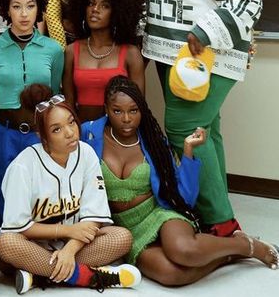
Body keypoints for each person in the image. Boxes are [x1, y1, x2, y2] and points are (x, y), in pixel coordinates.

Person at [142, 0, 263, 237]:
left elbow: (247, 0)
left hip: (203, 57)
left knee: (184, 130)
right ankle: (217, 208)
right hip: (171, 56)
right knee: (208, 132)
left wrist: (206, 31)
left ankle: (222, 223)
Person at [81, 77, 278, 284]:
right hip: (126, 228)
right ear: (106, 109)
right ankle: (230, 254)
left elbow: (184, 196)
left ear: (142, 109)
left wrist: (188, 151)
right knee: (171, 274)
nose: (127, 118)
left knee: (183, 250)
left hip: (158, 213)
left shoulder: (152, 140)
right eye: (117, 111)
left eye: (134, 110)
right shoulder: (89, 134)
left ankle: (247, 246)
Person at [0, 91, 140, 293]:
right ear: (43, 136)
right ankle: (89, 277)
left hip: (74, 244)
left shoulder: (86, 153)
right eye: (57, 129)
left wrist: (69, 250)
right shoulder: (24, 166)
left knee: (122, 237)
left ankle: (38, 276)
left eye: (71, 122)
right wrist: (66, 230)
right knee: (6, 244)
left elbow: (93, 217)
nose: (70, 132)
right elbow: (18, 227)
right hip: (32, 245)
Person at [0, 0, 64, 221]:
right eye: (16, 6)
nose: (24, 14)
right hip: (6, 133)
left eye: (30, 5)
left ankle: (40, 247)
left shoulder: (53, 49)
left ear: (39, 9)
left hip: (41, 134)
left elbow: (56, 96)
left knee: (43, 192)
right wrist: (0, 132)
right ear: (6, 9)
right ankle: (8, 246)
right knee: (5, 190)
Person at [61, 0, 145, 122]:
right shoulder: (71, 51)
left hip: (118, 136)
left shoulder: (130, 53)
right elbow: (69, 104)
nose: (95, 9)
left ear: (117, 12)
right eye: (90, 3)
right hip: (82, 135)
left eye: (105, 6)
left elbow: (138, 105)